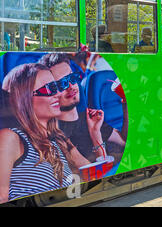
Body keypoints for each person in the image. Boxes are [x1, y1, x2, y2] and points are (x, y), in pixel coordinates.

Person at [0, 63, 100, 203]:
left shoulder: (59, 140)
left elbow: (93, 177)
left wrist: (95, 133)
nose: (59, 93)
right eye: (50, 89)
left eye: (57, 87)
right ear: (25, 98)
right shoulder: (11, 138)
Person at [39, 53, 127, 162]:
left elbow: (124, 142)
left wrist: (125, 102)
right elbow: (92, 173)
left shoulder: (89, 117)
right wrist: (96, 136)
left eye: (72, 78)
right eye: (61, 84)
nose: (71, 87)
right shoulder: (55, 134)